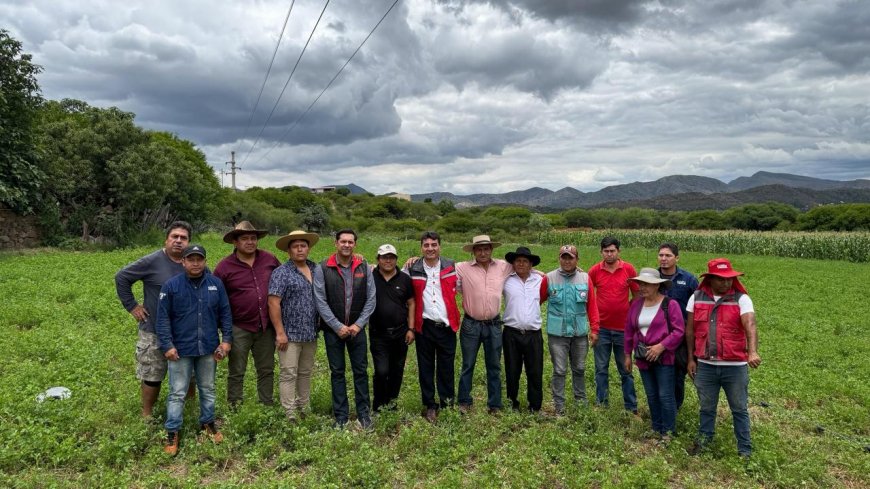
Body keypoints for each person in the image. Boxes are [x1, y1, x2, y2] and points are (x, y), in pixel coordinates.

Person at [156, 244, 233, 456]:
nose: (195, 263)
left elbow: (225, 314)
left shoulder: (216, 285)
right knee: (177, 392)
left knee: (207, 388)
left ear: (205, 261)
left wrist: (226, 341)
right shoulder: (171, 286)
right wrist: (167, 345)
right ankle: (172, 431)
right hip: (179, 349)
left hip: (208, 347)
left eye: (199, 259)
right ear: (183, 262)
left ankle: (207, 423)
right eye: (191, 259)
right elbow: (162, 319)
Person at [115, 221, 192, 418]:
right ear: (166, 240)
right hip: (154, 329)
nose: (178, 241)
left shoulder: (193, 262)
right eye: (174, 236)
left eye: (183, 238)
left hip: (185, 331)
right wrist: (132, 306)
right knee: (152, 375)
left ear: (189, 242)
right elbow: (121, 277)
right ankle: (147, 414)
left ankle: (189, 411)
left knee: (189, 374)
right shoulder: (152, 261)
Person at [687, 258, 761, 458]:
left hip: (735, 366)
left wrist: (752, 351)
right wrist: (690, 359)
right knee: (707, 407)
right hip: (706, 365)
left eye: (729, 279)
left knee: (739, 408)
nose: (726, 283)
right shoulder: (696, 297)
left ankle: (745, 450)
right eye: (720, 279)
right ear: (710, 279)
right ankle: (704, 443)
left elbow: (750, 326)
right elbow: (690, 331)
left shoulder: (741, 299)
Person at [312, 229, 376, 430]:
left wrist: (358, 324)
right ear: (336, 243)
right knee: (337, 372)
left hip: (357, 330)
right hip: (333, 331)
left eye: (350, 242)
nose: (347, 245)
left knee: (361, 372)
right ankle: (341, 416)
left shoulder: (364, 267)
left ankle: (364, 414)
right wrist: (337, 326)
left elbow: (371, 298)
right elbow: (320, 300)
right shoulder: (323, 267)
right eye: (343, 241)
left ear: (355, 244)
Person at [214, 221, 280, 407]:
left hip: (266, 325)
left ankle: (266, 405)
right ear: (235, 242)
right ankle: (235, 405)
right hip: (238, 326)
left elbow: (285, 278)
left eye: (253, 238)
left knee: (266, 368)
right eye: (244, 238)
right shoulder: (224, 267)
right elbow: (216, 298)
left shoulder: (269, 260)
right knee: (236, 369)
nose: (250, 242)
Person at [623, 268, 685, 444]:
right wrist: (627, 354)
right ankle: (656, 428)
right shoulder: (636, 305)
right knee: (651, 394)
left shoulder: (669, 304)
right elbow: (629, 331)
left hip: (664, 358)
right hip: (643, 357)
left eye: (647, 284)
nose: (642, 287)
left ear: (657, 286)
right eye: (640, 284)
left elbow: (678, 331)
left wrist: (661, 346)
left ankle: (668, 432)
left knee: (665, 395)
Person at [455, 235, 515, 414]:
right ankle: (464, 402)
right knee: (468, 364)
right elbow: (437, 267)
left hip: (494, 324)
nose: (483, 252)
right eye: (479, 249)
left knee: (494, 365)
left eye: (486, 249)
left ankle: (494, 404)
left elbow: (524, 268)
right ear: (473, 251)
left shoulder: (504, 266)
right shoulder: (461, 268)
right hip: (471, 324)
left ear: (491, 250)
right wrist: (413, 261)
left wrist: (544, 274)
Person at [406, 231, 460, 422]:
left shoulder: (451, 266)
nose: (430, 248)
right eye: (426, 245)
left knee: (446, 367)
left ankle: (447, 403)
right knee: (426, 367)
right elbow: (388, 272)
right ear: (421, 247)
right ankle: (430, 404)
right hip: (424, 326)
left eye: (434, 244)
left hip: (446, 326)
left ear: (440, 247)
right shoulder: (412, 268)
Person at [268, 230, 320, 421]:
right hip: (289, 334)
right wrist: (280, 333)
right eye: (295, 246)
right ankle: (289, 412)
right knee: (289, 373)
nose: (300, 249)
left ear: (308, 248)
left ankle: (304, 407)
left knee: (305, 372)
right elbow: (273, 303)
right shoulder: (281, 273)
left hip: (310, 332)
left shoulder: (316, 269)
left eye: (303, 245)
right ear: (289, 251)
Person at [545, 245, 600, 415]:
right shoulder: (548, 278)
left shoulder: (585, 278)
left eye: (570, 258)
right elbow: (536, 300)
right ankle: (559, 406)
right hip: (557, 334)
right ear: (559, 258)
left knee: (580, 368)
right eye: (564, 257)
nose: (567, 261)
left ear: (577, 259)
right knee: (559, 370)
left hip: (579, 333)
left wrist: (595, 329)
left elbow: (592, 306)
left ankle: (580, 403)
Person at [588, 236, 639, 413]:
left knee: (625, 369)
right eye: (606, 251)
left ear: (618, 251)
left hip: (623, 329)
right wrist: (593, 324)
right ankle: (602, 404)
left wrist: (630, 312)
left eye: (612, 251)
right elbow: (588, 293)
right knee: (601, 369)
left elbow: (637, 294)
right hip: (601, 329)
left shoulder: (629, 269)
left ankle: (631, 406)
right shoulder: (595, 271)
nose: (609, 254)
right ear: (601, 252)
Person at [369, 244, 415, 412]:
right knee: (381, 371)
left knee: (397, 371)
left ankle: (392, 404)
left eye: (391, 257)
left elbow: (411, 303)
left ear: (396, 259)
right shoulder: (370, 276)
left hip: (400, 332)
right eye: (384, 257)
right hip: (378, 334)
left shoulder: (404, 279)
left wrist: (411, 329)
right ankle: (378, 405)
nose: (388, 260)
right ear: (378, 259)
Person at [502, 247, 548, 412]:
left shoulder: (541, 279)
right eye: (518, 261)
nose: (521, 264)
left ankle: (535, 406)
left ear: (531, 265)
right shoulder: (506, 280)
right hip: (511, 333)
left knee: (535, 371)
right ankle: (511, 403)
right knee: (512, 370)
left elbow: (559, 276)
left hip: (533, 334)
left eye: (525, 261)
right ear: (513, 263)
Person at [657, 242, 699, 411]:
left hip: (680, 336)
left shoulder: (688, 280)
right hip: (657, 335)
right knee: (658, 372)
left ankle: (675, 407)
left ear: (676, 258)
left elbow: (697, 306)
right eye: (661, 255)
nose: (664, 259)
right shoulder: (652, 278)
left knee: (677, 374)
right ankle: (660, 406)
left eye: (668, 255)